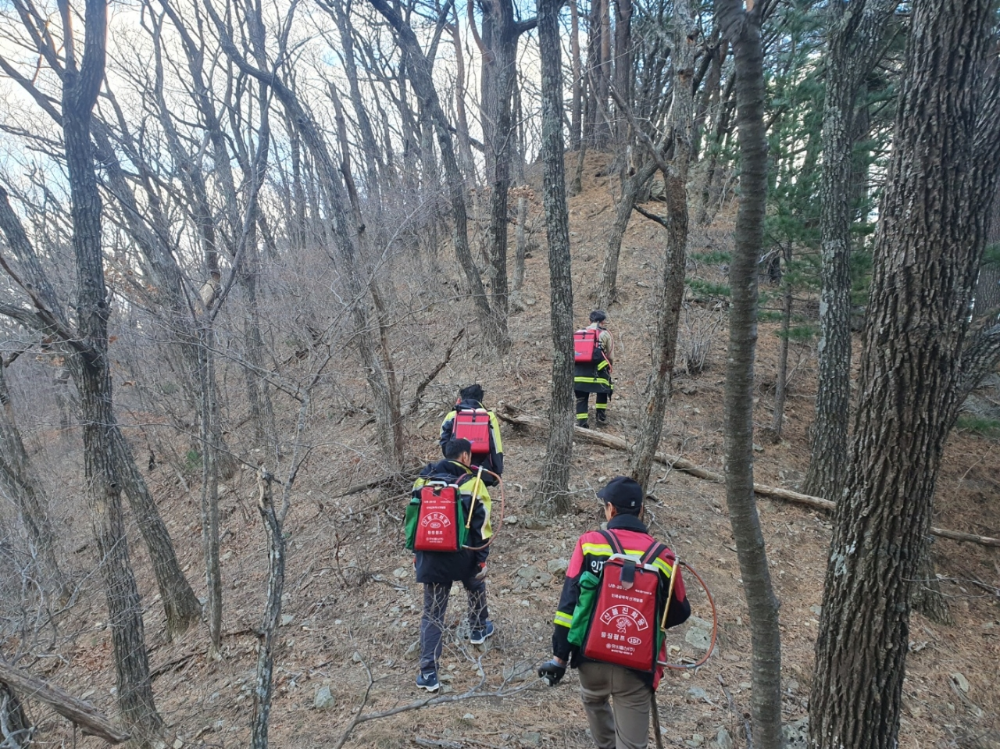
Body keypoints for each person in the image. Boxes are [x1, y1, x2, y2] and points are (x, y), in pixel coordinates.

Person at [538, 477, 690, 749]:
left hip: (590, 660)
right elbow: (679, 612)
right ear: (641, 510)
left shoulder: (589, 543)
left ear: (610, 509)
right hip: (636, 667)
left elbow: (568, 605)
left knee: (593, 701)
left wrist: (559, 657)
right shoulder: (664, 556)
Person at [412, 438, 496, 692]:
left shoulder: (422, 481)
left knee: (433, 614)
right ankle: (479, 628)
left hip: (430, 556)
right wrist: (482, 559)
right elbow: (483, 525)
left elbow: (414, 520)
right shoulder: (473, 483)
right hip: (464, 555)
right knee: (475, 584)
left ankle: (428, 673)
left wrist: (417, 554)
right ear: (465, 457)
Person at [439, 384, 504, 484]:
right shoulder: (489, 416)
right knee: (478, 497)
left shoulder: (453, 415)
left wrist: (450, 459)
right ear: (480, 399)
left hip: (457, 467)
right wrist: (497, 471)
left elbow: (444, 441)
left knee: (458, 495)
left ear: (463, 398)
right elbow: (496, 446)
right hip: (482, 469)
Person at [575, 311, 614, 427]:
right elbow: (610, 356)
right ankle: (600, 418)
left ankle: (582, 423)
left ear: (589, 321)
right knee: (602, 391)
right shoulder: (605, 334)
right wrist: (609, 367)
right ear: (603, 321)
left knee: (581, 397)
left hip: (579, 371)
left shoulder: (579, 332)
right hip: (599, 371)